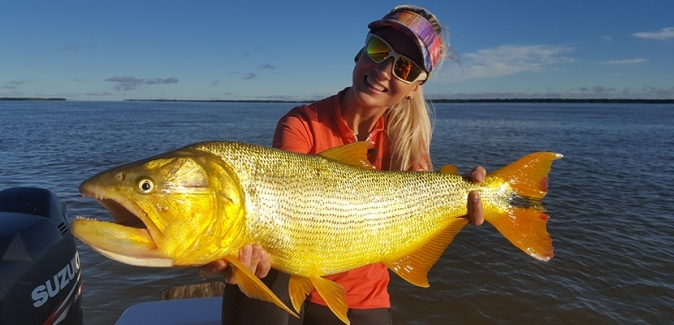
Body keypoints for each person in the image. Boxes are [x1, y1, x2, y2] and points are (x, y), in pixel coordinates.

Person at [199, 5, 486, 324]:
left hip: (362, 294)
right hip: (286, 274)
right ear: (360, 52)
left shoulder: (408, 143)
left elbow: (416, 231)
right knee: (251, 277)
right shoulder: (302, 123)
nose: (384, 70)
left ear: (414, 87)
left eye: (404, 68)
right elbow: (279, 206)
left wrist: (461, 206)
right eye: (379, 50)